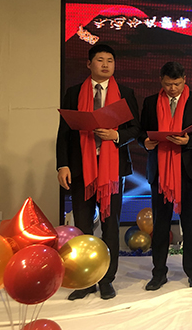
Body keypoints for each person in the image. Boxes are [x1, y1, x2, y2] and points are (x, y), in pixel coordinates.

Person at [56, 43, 140, 300]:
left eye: (110, 60)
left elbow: (135, 129)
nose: (105, 64)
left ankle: (106, 280)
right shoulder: (73, 93)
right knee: (82, 226)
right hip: (81, 167)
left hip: (111, 171)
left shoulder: (125, 93)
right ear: (89, 64)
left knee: (110, 225)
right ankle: (85, 281)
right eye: (100, 60)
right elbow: (64, 131)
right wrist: (62, 165)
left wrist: (116, 135)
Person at [139, 61, 192, 289]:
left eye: (177, 84)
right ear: (161, 81)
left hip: (187, 169)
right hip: (160, 170)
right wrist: (145, 142)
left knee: (189, 221)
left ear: (185, 79)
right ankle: (158, 273)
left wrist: (189, 140)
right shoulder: (150, 102)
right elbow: (141, 131)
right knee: (160, 224)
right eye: (168, 84)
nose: (173, 89)